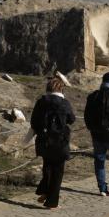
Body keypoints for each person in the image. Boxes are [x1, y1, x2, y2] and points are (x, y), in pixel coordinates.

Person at [30, 77, 76, 209]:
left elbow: (34, 122)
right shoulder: (65, 103)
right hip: (60, 141)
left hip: (44, 140)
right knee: (58, 171)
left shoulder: (41, 102)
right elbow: (71, 119)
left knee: (47, 167)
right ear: (61, 89)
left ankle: (45, 190)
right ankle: (52, 201)